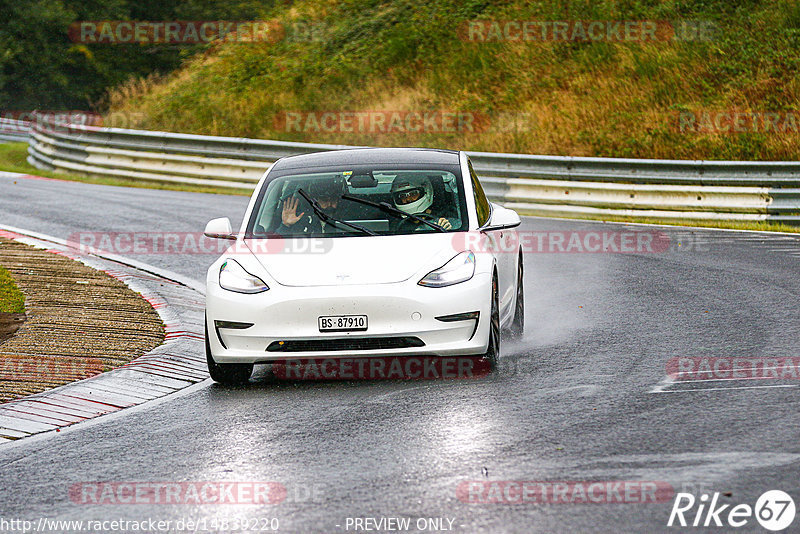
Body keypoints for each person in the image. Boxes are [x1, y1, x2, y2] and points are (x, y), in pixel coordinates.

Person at [278, 178, 343, 235]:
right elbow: (274, 245)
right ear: (315, 200)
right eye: (324, 200)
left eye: (333, 200)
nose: (329, 204)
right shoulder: (301, 219)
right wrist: (285, 225)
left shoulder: (347, 218)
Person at [390, 174, 454, 231]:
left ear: (427, 192)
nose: (408, 199)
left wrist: (446, 227)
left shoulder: (444, 215)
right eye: (403, 196)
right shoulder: (397, 223)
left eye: (413, 194)